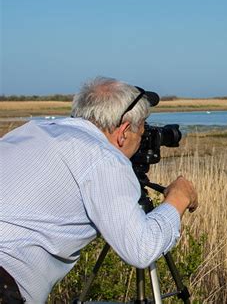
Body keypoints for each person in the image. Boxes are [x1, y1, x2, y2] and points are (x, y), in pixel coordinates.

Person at [0, 77, 198, 303]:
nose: (142, 139)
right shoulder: (103, 157)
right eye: (141, 132)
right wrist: (178, 197)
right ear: (124, 131)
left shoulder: (31, 130)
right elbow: (141, 248)